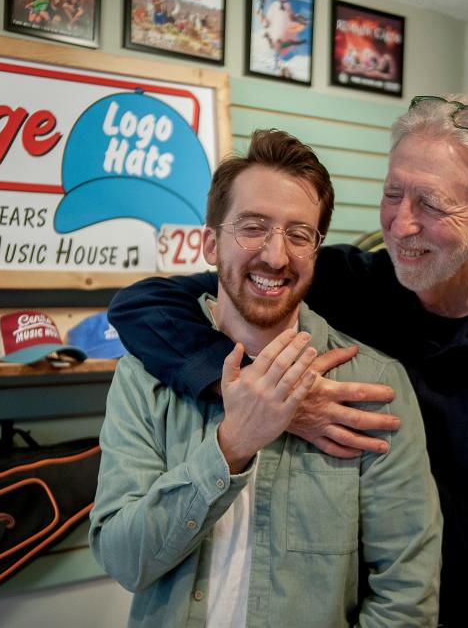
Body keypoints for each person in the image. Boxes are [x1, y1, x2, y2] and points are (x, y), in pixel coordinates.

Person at [107, 94, 468, 626]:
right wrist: (267, 400)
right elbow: (143, 305)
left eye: (432, 204)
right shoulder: (346, 282)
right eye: (394, 194)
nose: (402, 225)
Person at [89, 129, 442, 627]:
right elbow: (125, 561)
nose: (276, 256)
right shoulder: (143, 378)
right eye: (253, 227)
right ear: (211, 243)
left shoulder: (375, 389)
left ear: (317, 250)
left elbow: (407, 594)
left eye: (299, 235)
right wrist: (232, 445)